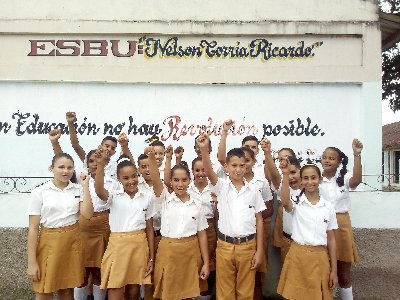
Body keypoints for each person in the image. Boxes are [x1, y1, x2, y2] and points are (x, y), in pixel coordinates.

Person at [48, 128, 119, 300]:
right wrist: (55, 142)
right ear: (87, 162)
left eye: (98, 160)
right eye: (91, 160)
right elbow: (62, 161)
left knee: (98, 270)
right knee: (79, 270)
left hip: (102, 227)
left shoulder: (113, 182)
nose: (94, 163)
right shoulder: (79, 178)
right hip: (81, 227)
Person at [197, 132, 265, 300]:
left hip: (247, 246)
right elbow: (209, 171)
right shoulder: (221, 187)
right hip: (225, 246)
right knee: (225, 291)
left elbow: (259, 220)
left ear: (247, 166)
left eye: (242, 165)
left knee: (245, 291)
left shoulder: (254, 190)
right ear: (226, 166)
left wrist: (259, 250)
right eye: (234, 165)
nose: (238, 169)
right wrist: (204, 150)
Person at [146, 146, 210, 300]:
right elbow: (155, 179)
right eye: (176, 180)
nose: (180, 184)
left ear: (190, 180)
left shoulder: (197, 203)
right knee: (167, 293)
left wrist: (206, 262)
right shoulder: (165, 199)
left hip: (191, 252)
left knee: (188, 294)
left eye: (184, 180)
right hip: (168, 251)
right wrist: (151, 158)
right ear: (170, 181)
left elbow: (202, 234)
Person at [27, 153, 93, 300]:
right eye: (61, 167)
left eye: (69, 167)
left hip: (72, 244)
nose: (65, 171)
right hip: (48, 244)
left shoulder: (78, 189)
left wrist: (85, 186)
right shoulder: (39, 192)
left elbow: (87, 214)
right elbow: (32, 229)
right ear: (52, 168)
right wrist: (32, 262)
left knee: (67, 291)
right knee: (43, 291)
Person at [94, 149, 155, 300]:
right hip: (117, 246)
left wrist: (151, 257)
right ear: (119, 179)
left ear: (138, 175)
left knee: (134, 291)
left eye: (134, 176)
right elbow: (99, 190)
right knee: (115, 288)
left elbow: (149, 228)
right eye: (126, 178)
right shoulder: (114, 196)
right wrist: (100, 165)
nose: (131, 181)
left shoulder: (146, 197)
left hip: (139, 246)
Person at [277, 162, 338, 300]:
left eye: (313, 177)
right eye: (305, 178)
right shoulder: (296, 201)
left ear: (320, 179)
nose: (310, 182)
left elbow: (332, 240)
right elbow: (285, 202)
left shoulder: (328, 207)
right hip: (297, 255)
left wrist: (334, 270)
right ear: (301, 180)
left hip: (319, 258)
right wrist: (286, 174)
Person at [319, 139, 363, 300]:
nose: (327, 160)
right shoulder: (315, 178)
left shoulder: (343, 177)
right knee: (323, 271)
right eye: (324, 157)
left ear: (338, 162)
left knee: (343, 273)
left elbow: (356, 180)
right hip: (321, 226)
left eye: (331, 158)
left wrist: (357, 155)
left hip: (341, 225)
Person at [262, 139, 300, 261]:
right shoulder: (283, 187)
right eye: (281, 159)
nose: (285, 162)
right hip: (289, 239)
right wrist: (267, 153)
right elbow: (274, 176)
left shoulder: (311, 190)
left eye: (293, 172)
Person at [65, 111, 121, 179]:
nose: (109, 149)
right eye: (107, 146)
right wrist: (70, 124)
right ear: (100, 146)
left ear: (114, 152)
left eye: (112, 148)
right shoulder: (90, 158)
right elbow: (75, 146)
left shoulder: (116, 166)